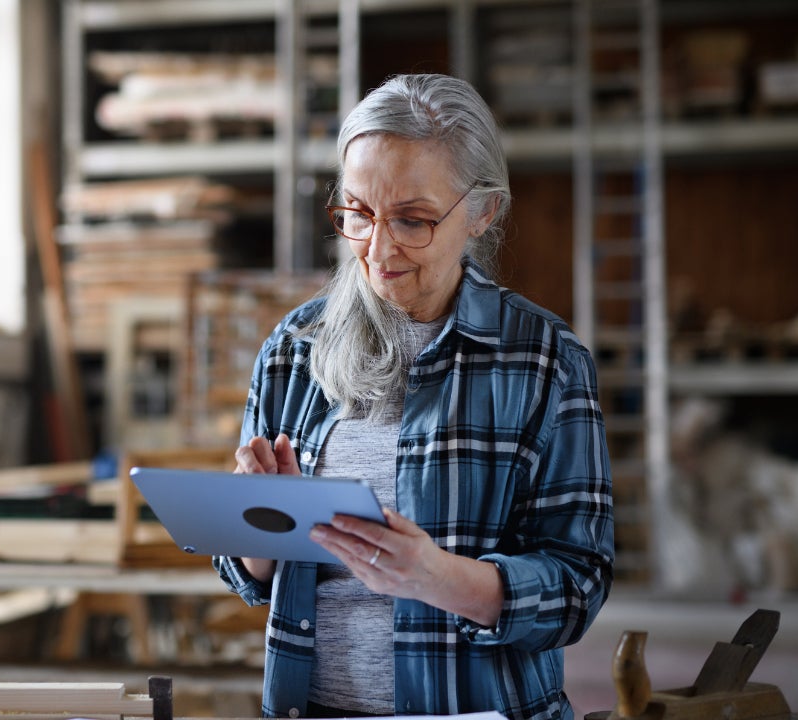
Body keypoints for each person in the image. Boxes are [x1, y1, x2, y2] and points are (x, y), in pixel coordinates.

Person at [213, 73, 615, 720]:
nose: (377, 247)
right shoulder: (294, 350)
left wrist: (437, 577)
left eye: (413, 219)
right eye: (358, 213)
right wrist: (262, 524)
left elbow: (578, 586)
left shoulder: (543, 360)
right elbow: (249, 577)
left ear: (482, 211)